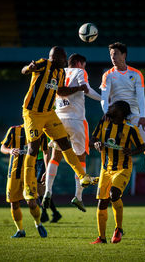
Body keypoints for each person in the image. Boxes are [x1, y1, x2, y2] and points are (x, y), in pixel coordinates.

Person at [21, 46, 98, 222]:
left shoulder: (61, 73)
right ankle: (28, 187)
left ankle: (82, 176)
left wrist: (78, 88)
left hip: (50, 113)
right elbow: (24, 70)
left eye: (61, 58)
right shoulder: (43, 64)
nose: (60, 60)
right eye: (56, 57)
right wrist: (29, 68)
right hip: (32, 113)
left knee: (64, 144)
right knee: (33, 148)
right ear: (52, 57)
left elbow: (61, 91)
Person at [100, 42, 145, 191]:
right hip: (116, 116)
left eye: (115, 54)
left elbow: (141, 97)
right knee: (110, 148)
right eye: (111, 55)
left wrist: (142, 116)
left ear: (124, 55)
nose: (112, 57)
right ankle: (107, 183)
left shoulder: (136, 74)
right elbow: (104, 96)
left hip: (134, 115)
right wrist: (106, 112)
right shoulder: (107, 75)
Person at [42, 53, 101, 212]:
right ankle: (78, 196)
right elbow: (86, 90)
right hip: (76, 119)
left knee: (55, 156)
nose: (84, 68)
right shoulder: (80, 72)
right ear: (79, 63)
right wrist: (103, 99)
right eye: (84, 65)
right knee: (80, 157)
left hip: (58, 119)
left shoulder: (59, 72)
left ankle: (48, 191)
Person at [90, 100, 145, 244]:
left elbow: (142, 147)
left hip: (123, 168)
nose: (110, 108)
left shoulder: (130, 129)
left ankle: (118, 228)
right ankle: (101, 238)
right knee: (102, 202)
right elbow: (93, 138)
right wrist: (96, 143)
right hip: (106, 169)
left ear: (121, 112)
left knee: (114, 194)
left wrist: (131, 151)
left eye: (113, 106)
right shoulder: (103, 124)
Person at [0, 124, 48, 238]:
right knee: (14, 203)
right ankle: (20, 230)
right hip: (14, 173)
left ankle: (38, 223)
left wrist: (47, 169)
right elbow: (2, 147)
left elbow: (46, 152)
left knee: (32, 203)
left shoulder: (40, 132)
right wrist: (10, 151)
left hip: (30, 173)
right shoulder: (13, 130)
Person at [35, 143, 62, 223]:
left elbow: (49, 149)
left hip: (44, 161)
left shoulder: (46, 132)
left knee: (40, 187)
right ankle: (54, 213)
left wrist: (48, 168)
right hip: (37, 161)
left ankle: (45, 213)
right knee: (40, 190)